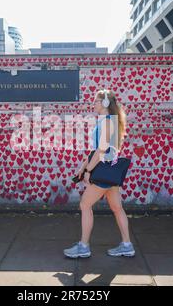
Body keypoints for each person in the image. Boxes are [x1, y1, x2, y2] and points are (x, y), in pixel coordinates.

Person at [63, 89, 135, 258]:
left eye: (96, 101)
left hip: (104, 169)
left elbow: (102, 150)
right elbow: (97, 149)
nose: (93, 104)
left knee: (85, 204)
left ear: (104, 103)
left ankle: (83, 246)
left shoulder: (108, 122)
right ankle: (127, 245)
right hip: (110, 169)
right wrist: (83, 167)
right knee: (117, 208)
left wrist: (88, 170)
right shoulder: (107, 121)